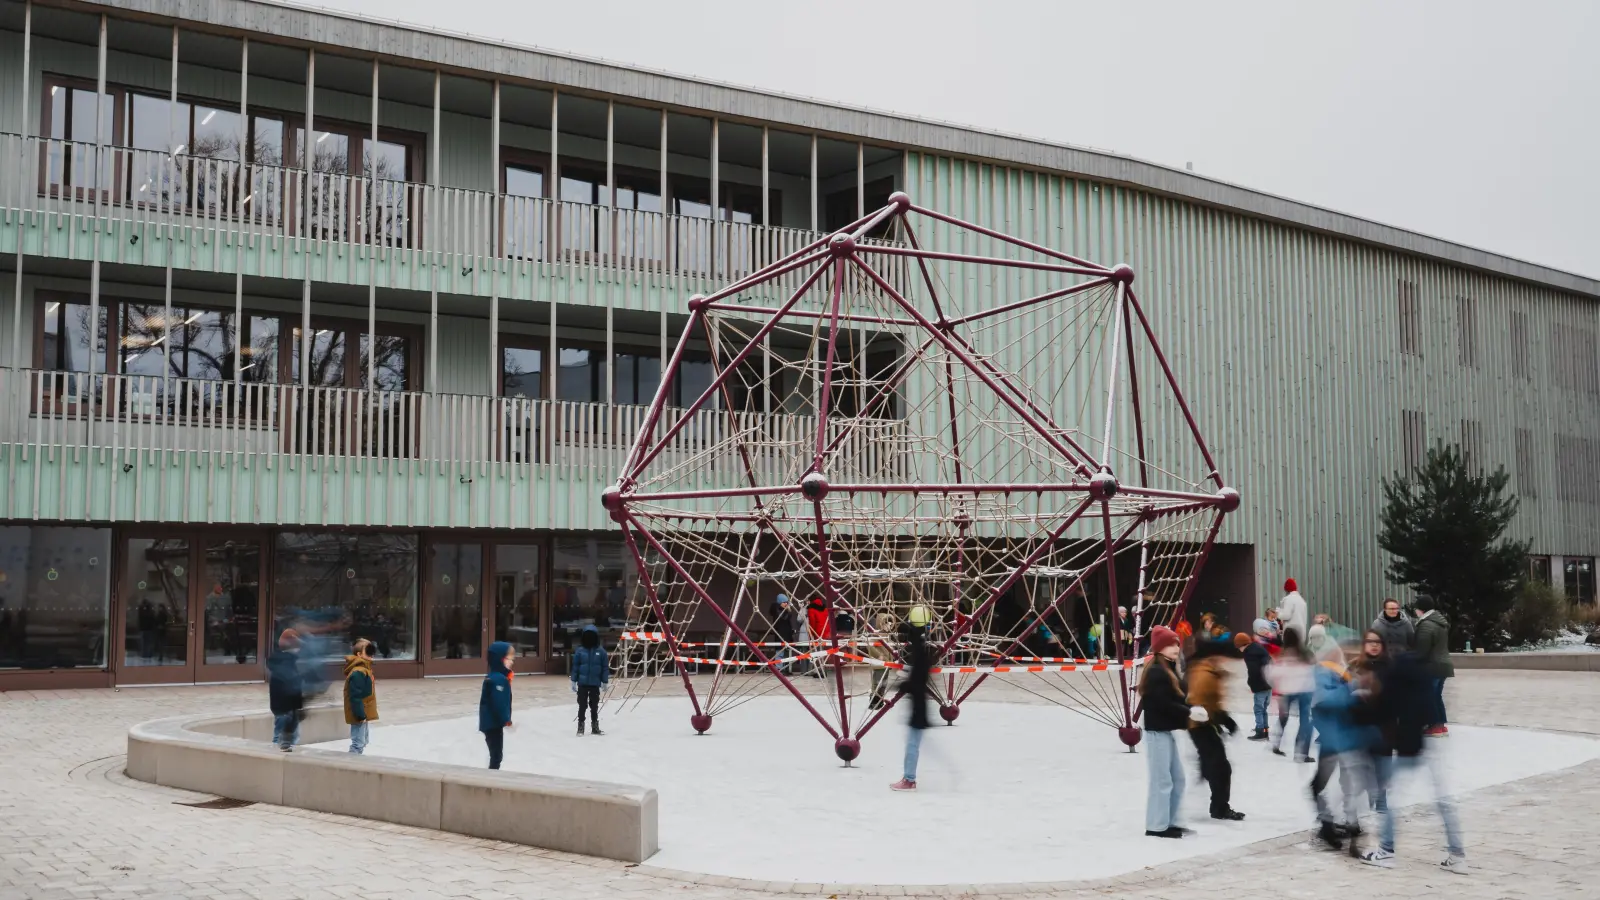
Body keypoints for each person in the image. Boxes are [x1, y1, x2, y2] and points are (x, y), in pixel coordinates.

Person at [1358, 644, 1468, 873]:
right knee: (1443, 799)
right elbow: (1432, 708)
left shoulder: (1394, 677)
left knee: (1391, 798)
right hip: (1430, 740)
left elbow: (1383, 712)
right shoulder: (1422, 675)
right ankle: (1457, 854)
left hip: (1409, 746)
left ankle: (1386, 851)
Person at [1308, 637, 1377, 852]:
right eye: (1342, 651)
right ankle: (1330, 827)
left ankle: (1344, 825)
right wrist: (1354, 688)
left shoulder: (1342, 674)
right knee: (1320, 786)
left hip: (1343, 740)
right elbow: (1325, 701)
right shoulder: (1323, 673)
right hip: (1333, 740)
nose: (1346, 655)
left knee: (1346, 784)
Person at [1139, 625, 1190, 837]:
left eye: (1177, 643)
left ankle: (1170, 821)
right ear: (1159, 648)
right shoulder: (1156, 672)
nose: (1175, 648)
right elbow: (1162, 703)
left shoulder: (1168, 668)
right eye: (1170, 644)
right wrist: (1189, 713)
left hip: (1165, 731)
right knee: (1162, 780)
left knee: (1177, 779)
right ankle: (1156, 826)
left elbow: (1177, 698)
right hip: (1156, 733)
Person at [1187, 638, 1245, 820]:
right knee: (1221, 768)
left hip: (1204, 725)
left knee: (1219, 766)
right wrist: (1224, 719)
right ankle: (1220, 808)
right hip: (1201, 725)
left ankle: (1219, 805)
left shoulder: (1208, 670)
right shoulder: (1204, 674)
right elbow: (1200, 703)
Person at [890, 610, 934, 792]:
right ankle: (909, 778)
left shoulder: (920, 653)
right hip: (919, 706)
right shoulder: (922, 650)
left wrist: (903, 686)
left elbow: (918, 680)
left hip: (919, 707)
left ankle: (909, 779)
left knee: (912, 746)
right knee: (914, 744)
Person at [1269, 629, 1314, 762]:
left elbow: (1273, 673)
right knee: (1304, 721)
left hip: (1286, 691)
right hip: (1305, 689)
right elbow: (1313, 668)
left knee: (1283, 717)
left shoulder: (1282, 653)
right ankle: (1301, 753)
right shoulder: (1305, 652)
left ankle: (1276, 743)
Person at [1412, 596, 1454, 736]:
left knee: (1430, 697)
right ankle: (1441, 725)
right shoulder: (1439, 621)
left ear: (1420, 609)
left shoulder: (1426, 624)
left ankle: (1435, 726)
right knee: (1437, 696)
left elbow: (1422, 649)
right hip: (1443, 665)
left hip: (1432, 666)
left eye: (1416, 608)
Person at [267, 629, 304, 752]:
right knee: (284, 739)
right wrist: (297, 706)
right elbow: (292, 687)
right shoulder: (286, 664)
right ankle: (276, 761)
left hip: (284, 709)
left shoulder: (284, 662)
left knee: (286, 738)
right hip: (286, 709)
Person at [479, 641, 515, 769]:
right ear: (499, 660)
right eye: (509, 658)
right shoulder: (498, 679)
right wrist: (506, 720)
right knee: (496, 756)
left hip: (490, 723)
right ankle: (491, 781)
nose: (511, 662)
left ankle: (491, 777)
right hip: (492, 724)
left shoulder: (496, 677)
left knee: (495, 755)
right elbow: (498, 702)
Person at [571, 624, 609, 735]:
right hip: (582, 684)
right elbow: (576, 667)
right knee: (582, 705)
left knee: (594, 706)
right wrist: (573, 680)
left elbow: (604, 667)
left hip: (595, 684)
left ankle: (595, 727)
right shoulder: (580, 651)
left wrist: (605, 681)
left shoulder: (601, 652)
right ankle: (580, 727)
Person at [342, 638, 378, 754]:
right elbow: (355, 696)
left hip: (363, 711)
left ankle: (356, 762)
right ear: (359, 654)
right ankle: (352, 764)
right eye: (368, 650)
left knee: (363, 741)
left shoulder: (365, 669)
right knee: (358, 743)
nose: (371, 654)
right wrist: (360, 714)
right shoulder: (358, 672)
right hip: (359, 713)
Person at [1240, 625, 1273, 740]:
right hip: (1268, 685)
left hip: (1260, 686)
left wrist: (1251, 683)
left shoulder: (1250, 653)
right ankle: (1265, 730)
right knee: (1264, 709)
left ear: (1242, 645)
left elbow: (1253, 671)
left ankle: (1260, 732)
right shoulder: (1258, 649)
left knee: (1258, 709)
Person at [868, 613, 895, 710]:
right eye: (887, 623)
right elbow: (870, 646)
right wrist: (879, 655)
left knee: (884, 683)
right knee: (877, 683)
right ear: (881, 623)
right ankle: (874, 701)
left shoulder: (887, 635)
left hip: (886, 664)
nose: (889, 626)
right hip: (879, 664)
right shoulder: (877, 635)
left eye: (891, 624)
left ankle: (880, 700)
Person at [1277, 578, 1308, 643]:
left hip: (1291, 633)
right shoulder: (1302, 600)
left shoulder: (1288, 599)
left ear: (1286, 589)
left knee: (1290, 652)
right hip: (1301, 632)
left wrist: (1277, 613)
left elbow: (1286, 615)